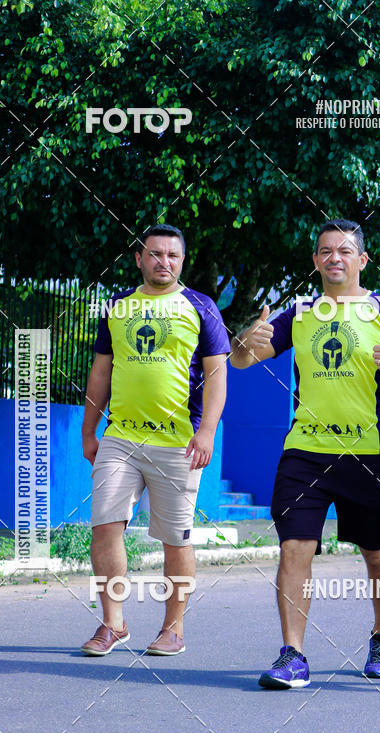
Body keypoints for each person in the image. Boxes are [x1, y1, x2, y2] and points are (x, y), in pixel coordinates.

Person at [230, 219, 380, 688]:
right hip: (305, 450)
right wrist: (243, 342)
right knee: (295, 547)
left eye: (344, 249)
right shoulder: (299, 312)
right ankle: (292, 654)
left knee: (377, 556)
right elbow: (241, 361)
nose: (334, 256)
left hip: (366, 452)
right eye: (324, 250)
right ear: (315, 261)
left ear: (362, 260)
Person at [80, 224, 229, 657]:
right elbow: (101, 372)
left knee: (175, 538)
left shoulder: (201, 307)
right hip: (121, 438)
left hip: (179, 443)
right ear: (139, 259)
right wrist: (89, 430)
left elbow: (218, 375)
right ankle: (113, 623)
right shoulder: (119, 308)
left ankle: (173, 628)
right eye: (155, 254)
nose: (163, 261)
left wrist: (206, 433)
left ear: (182, 262)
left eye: (172, 256)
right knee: (105, 527)